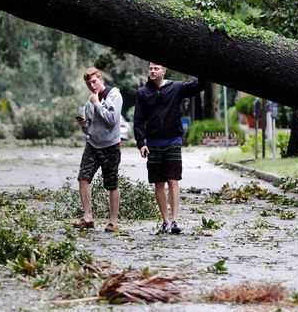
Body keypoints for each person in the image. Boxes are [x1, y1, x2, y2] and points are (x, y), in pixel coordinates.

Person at [133, 62, 207, 234]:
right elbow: (138, 121)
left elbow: (198, 86)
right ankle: (165, 221)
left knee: (173, 180)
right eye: (150, 68)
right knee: (158, 183)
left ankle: (175, 221)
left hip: (173, 140)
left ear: (164, 71)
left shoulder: (176, 88)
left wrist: (205, 71)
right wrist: (141, 143)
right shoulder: (143, 93)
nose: (152, 71)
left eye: (156, 68)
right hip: (153, 144)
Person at [74, 67, 123, 232]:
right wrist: (84, 126)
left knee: (111, 184)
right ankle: (88, 217)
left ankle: (113, 222)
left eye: (94, 81)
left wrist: (97, 103)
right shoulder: (89, 103)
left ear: (100, 79)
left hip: (111, 147)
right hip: (93, 145)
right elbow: (90, 128)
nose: (92, 86)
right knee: (83, 177)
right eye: (89, 84)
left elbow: (111, 119)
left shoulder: (114, 95)